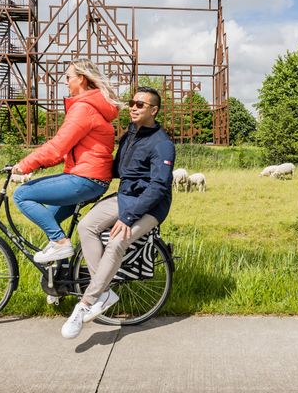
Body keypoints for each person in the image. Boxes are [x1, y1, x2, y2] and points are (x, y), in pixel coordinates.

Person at [61, 86, 175, 339]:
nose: (133, 107)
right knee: (86, 226)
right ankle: (103, 293)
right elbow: (115, 169)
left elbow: (158, 187)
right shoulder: (130, 134)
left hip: (151, 205)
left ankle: (85, 304)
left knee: (116, 241)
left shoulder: (162, 145)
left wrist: (128, 217)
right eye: (132, 103)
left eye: (140, 104)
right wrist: (81, 174)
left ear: (154, 110)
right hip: (124, 197)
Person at [12, 59, 120, 264]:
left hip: (84, 179)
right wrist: (40, 163)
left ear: (81, 79)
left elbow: (58, 145)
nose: (65, 82)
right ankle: (60, 277)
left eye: (68, 77)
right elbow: (66, 151)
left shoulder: (84, 109)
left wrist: (24, 165)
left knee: (21, 194)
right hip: (94, 179)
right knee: (51, 220)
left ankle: (60, 243)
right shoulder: (93, 107)